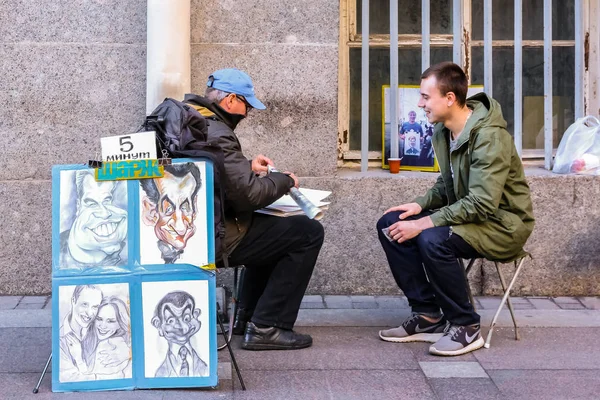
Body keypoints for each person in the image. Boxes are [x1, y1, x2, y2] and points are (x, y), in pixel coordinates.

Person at [376, 61, 534, 356]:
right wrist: (419, 205)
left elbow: (482, 202)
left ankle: (466, 325)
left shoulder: (490, 137)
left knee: (431, 237)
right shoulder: (444, 131)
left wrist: (424, 223)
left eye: (425, 96)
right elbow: (446, 184)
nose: (420, 103)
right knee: (390, 224)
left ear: (449, 99)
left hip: (502, 225)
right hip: (471, 219)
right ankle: (428, 316)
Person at [183, 68, 324, 350]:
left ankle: (247, 317)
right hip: (213, 237)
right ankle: (268, 326)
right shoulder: (217, 132)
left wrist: (246, 168)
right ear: (231, 100)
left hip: (191, 230)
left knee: (276, 229)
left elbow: (213, 176)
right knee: (307, 231)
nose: (246, 113)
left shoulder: (192, 121)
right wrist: (283, 180)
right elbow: (249, 196)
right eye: (246, 105)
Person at [59, 170, 128, 269]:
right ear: (79, 206)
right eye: (91, 204)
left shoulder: (128, 254)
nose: (104, 214)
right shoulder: (59, 248)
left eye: (107, 201)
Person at [140, 163, 202, 263]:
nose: (180, 227)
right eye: (168, 209)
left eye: (185, 208)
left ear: (194, 207)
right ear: (150, 211)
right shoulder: (146, 254)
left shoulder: (200, 250)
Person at [67, 296, 132, 380]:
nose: (103, 326)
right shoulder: (91, 337)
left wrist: (78, 358)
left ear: (120, 323)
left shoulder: (111, 344)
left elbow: (90, 380)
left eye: (110, 321)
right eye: (99, 319)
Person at [151, 291, 208, 377]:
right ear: (158, 324)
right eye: (171, 321)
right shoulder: (160, 374)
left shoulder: (206, 369)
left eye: (186, 318)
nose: (183, 328)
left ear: (195, 316)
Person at [59, 285, 103, 382]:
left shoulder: (101, 330)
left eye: (95, 307)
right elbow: (70, 379)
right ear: (73, 300)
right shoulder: (60, 338)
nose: (89, 313)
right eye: (84, 304)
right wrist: (79, 360)